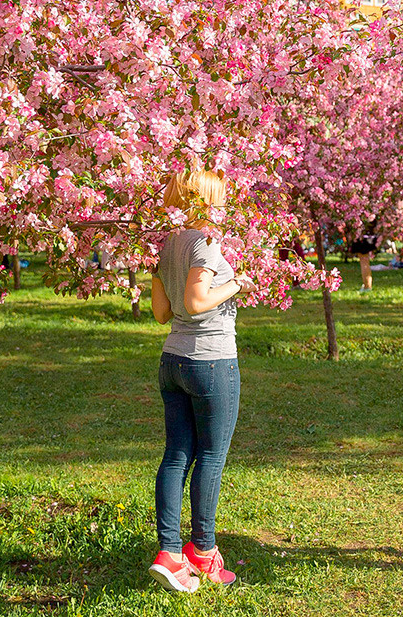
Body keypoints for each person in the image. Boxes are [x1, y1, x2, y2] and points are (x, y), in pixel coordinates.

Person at [147, 164, 256, 593]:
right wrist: (239, 283)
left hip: (172, 361)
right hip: (211, 362)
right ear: (207, 198)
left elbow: (162, 313)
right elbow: (194, 302)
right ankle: (203, 551)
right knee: (211, 456)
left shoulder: (166, 243)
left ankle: (169, 552)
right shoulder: (207, 242)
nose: (227, 204)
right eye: (222, 196)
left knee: (176, 455)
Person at [348, 221, 380, 292]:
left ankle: (367, 286)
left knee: (364, 261)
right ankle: (367, 284)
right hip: (369, 235)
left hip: (363, 237)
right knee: (365, 261)